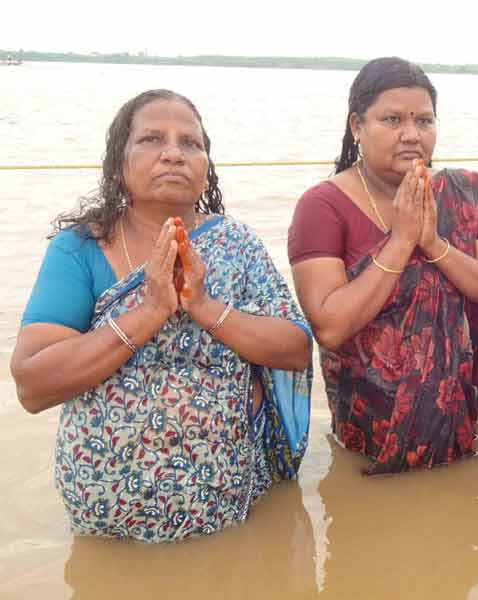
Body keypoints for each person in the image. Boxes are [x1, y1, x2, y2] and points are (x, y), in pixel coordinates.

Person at [10, 89, 313, 542]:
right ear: (119, 163)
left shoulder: (238, 246)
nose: (174, 153)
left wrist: (204, 307)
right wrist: (150, 311)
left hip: (225, 506)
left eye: (191, 143)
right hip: (106, 516)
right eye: (152, 139)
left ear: (206, 167)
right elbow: (32, 386)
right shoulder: (80, 249)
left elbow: (295, 350)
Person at [288, 57, 478, 475]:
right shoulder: (322, 206)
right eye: (392, 119)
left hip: (460, 427)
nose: (411, 134)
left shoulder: (463, 193)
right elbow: (331, 325)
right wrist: (402, 240)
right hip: (366, 442)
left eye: (424, 121)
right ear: (357, 126)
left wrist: (433, 242)